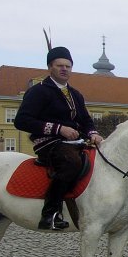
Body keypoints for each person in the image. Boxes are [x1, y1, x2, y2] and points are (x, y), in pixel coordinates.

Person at [14, 38, 103, 230]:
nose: (64, 69)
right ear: (50, 67)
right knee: (72, 163)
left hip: (76, 142)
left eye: (68, 66)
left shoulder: (75, 94)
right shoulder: (38, 92)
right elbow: (21, 120)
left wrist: (94, 134)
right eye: (59, 65)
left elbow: (86, 121)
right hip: (48, 143)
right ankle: (50, 214)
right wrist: (58, 129)